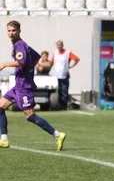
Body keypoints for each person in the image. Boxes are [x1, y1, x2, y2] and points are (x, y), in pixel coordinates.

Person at [0, 21, 67, 151]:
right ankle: (4, 139)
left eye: (13, 30)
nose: (11, 33)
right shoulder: (21, 45)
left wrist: (4, 64)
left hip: (24, 87)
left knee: (30, 116)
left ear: (19, 31)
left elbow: (21, 62)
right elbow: (36, 57)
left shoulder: (19, 45)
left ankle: (58, 135)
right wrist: (29, 70)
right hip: (18, 85)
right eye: (9, 31)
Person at [48, 40, 80, 110]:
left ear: (62, 45)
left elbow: (77, 59)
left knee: (64, 91)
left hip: (64, 74)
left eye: (60, 45)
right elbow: (51, 62)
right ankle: (57, 105)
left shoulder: (67, 53)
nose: (59, 46)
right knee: (57, 91)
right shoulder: (55, 53)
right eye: (58, 45)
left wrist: (71, 66)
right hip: (56, 75)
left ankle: (64, 106)